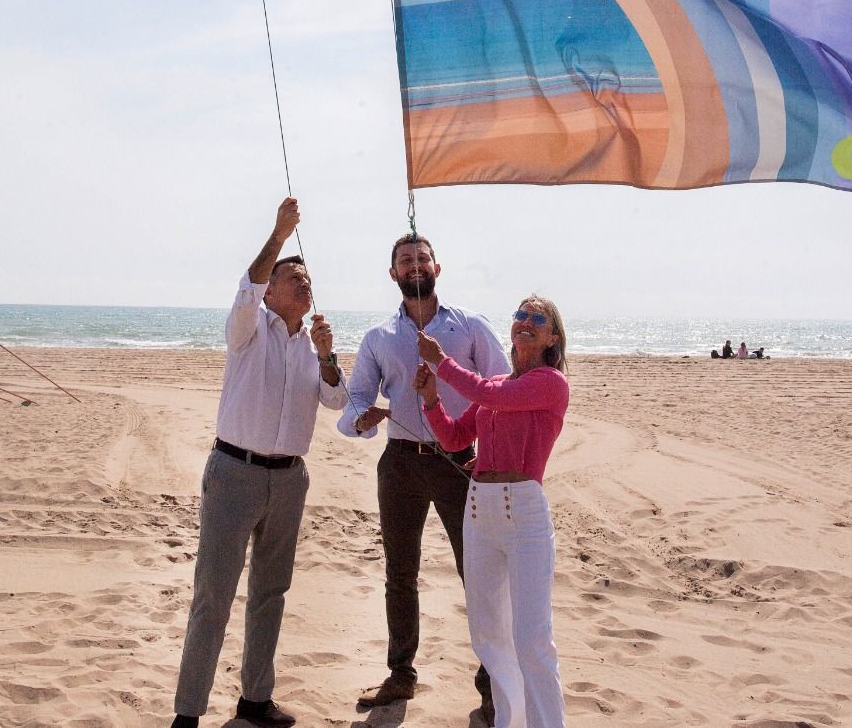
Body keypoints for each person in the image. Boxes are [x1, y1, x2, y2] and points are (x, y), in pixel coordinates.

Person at [169, 198, 346, 728]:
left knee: (271, 593)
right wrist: (279, 234)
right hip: (234, 474)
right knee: (213, 596)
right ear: (270, 290)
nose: (303, 281)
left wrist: (327, 356)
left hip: (290, 480)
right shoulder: (247, 328)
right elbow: (247, 284)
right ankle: (188, 713)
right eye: (292, 275)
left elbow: (338, 402)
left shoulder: (308, 344)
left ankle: (254, 699)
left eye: (306, 275)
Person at [339, 232, 507, 721]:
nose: (414, 265)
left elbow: (498, 391)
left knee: (475, 573)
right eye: (404, 260)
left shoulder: (470, 327)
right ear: (392, 273)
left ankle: (491, 684)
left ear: (437, 267)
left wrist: (489, 456)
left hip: (460, 462)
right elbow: (354, 401)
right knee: (399, 573)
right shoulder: (377, 338)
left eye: (421, 258)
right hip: (400, 463)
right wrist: (361, 418)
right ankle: (401, 675)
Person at [414, 295, 570, 728]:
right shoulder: (501, 385)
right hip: (480, 511)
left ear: (552, 336)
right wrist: (431, 401)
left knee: (532, 639)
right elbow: (453, 437)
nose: (526, 321)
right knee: (488, 635)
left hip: (524, 516)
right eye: (520, 314)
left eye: (537, 318)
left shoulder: (549, 382)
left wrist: (443, 362)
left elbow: (487, 392)